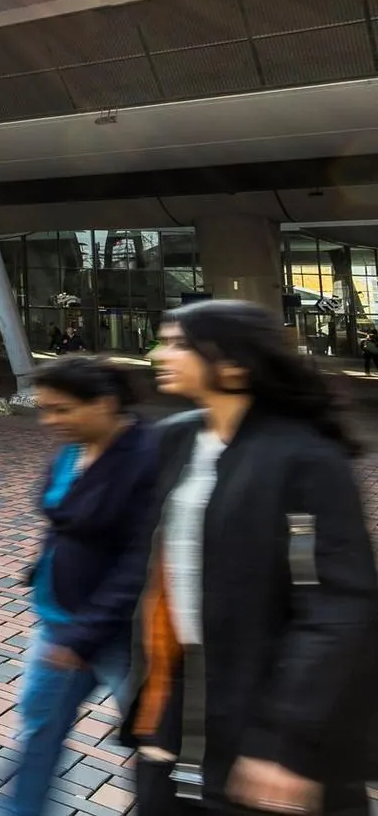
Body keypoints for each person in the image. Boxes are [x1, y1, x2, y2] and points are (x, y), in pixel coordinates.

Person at [129, 300, 376, 816]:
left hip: (267, 724)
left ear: (233, 363)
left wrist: (283, 743)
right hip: (176, 708)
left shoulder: (304, 457)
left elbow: (337, 606)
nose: (158, 353)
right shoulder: (176, 438)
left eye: (177, 343)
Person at [8, 357, 159, 816]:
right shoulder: (73, 449)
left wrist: (84, 635)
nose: (49, 421)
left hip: (125, 636)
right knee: (39, 728)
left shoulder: (148, 457)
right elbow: (61, 515)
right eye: (45, 409)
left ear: (106, 403)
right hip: (59, 622)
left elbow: (142, 562)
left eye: (61, 409)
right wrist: (42, 567)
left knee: (155, 740)